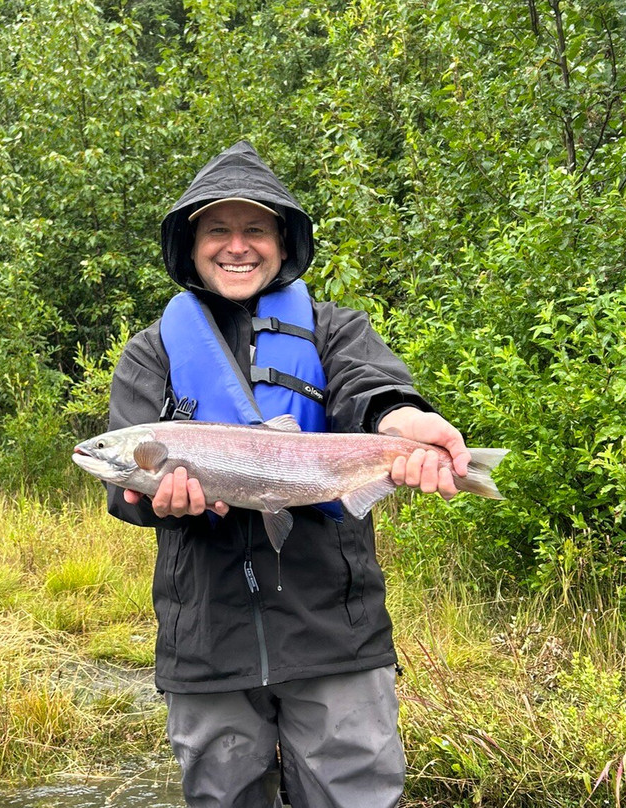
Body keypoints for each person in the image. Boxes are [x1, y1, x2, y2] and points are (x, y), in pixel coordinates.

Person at [104, 140, 471, 808]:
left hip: (335, 630)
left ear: (283, 242)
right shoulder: (150, 353)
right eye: (218, 230)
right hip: (207, 641)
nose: (236, 246)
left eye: (255, 230)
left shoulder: (335, 331)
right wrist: (154, 500)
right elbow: (123, 490)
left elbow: (373, 391)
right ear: (190, 245)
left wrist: (400, 421)